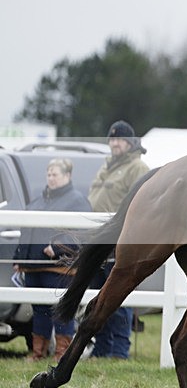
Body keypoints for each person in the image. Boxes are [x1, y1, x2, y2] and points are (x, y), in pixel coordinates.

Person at [13, 158, 92, 362]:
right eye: (48, 174)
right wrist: (19, 258)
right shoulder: (38, 201)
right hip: (33, 267)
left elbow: (81, 233)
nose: (51, 178)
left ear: (67, 176)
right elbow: (25, 230)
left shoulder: (78, 201)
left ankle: (62, 354)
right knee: (39, 310)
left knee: (61, 309)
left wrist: (57, 248)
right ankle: (38, 353)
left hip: (58, 267)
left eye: (55, 174)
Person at [87, 120, 150, 359]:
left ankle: (119, 350)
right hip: (99, 240)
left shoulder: (137, 167)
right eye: (111, 139)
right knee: (99, 296)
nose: (114, 144)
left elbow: (140, 204)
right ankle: (102, 348)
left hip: (119, 240)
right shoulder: (106, 167)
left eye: (119, 140)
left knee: (118, 295)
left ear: (130, 143)